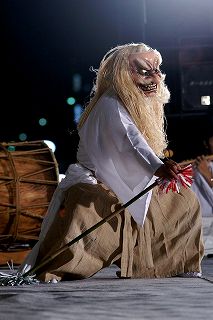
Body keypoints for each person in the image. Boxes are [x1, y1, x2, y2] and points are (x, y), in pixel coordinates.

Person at [19, 43, 204, 282]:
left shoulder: (134, 103)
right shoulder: (110, 104)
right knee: (89, 214)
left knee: (183, 200)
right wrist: (157, 167)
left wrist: (157, 167)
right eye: (145, 71)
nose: (155, 77)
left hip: (126, 180)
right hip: (94, 181)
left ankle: (172, 263)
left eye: (157, 70)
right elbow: (131, 142)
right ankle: (59, 266)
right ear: (123, 74)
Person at [191, 134, 213, 255]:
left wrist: (208, 175)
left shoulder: (203, 167)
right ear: (207, 143)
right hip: (194, 224)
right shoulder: (198, 164)